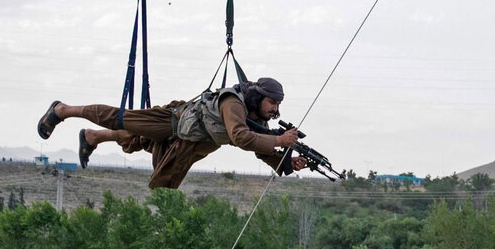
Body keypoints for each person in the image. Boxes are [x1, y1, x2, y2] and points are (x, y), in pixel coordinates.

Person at [35, 77, 310, 189]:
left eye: (278, 105)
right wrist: (279, 140)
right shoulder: (233, 104)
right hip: (171, 122)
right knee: (121, 119)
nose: (275, 110)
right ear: (259, 97)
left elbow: (254, 143)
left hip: (187, 143)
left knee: (136, 140)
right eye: (272, 103)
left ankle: (92, 137)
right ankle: (62, 110)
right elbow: (241, 138)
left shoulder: (251, 115)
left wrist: (283, 160)